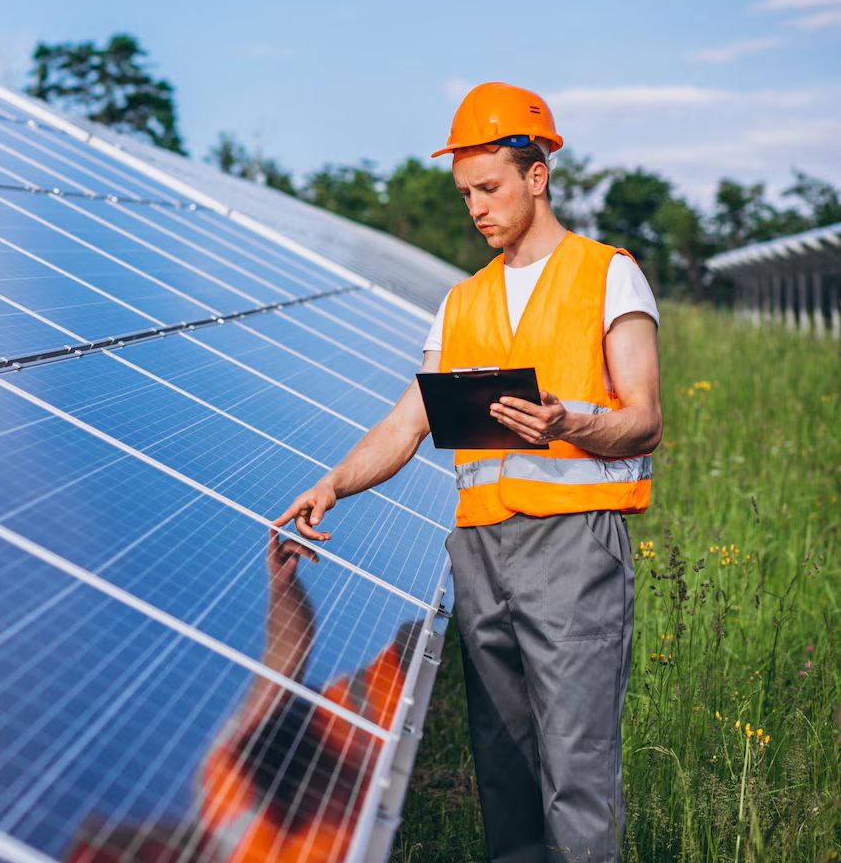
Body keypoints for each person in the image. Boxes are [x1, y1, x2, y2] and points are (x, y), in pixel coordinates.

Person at [275, 81, 661, 862]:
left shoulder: (607, 275)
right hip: (479, 557)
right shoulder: (460, 305)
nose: (476, 207)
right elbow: (405, 422)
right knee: (505, 775)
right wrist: (335, 483)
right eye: (465, 194)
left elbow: (645, 418)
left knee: (575, 773)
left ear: (537, 175)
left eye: (489, 188)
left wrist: (568, 423)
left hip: (573, 548)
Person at [65, 531, 422, 863]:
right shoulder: (230, 795)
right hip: (414, 801)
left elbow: (285, 652)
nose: (130, 829)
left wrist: (282, 585)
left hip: (401, 688)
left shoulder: (222, 781)